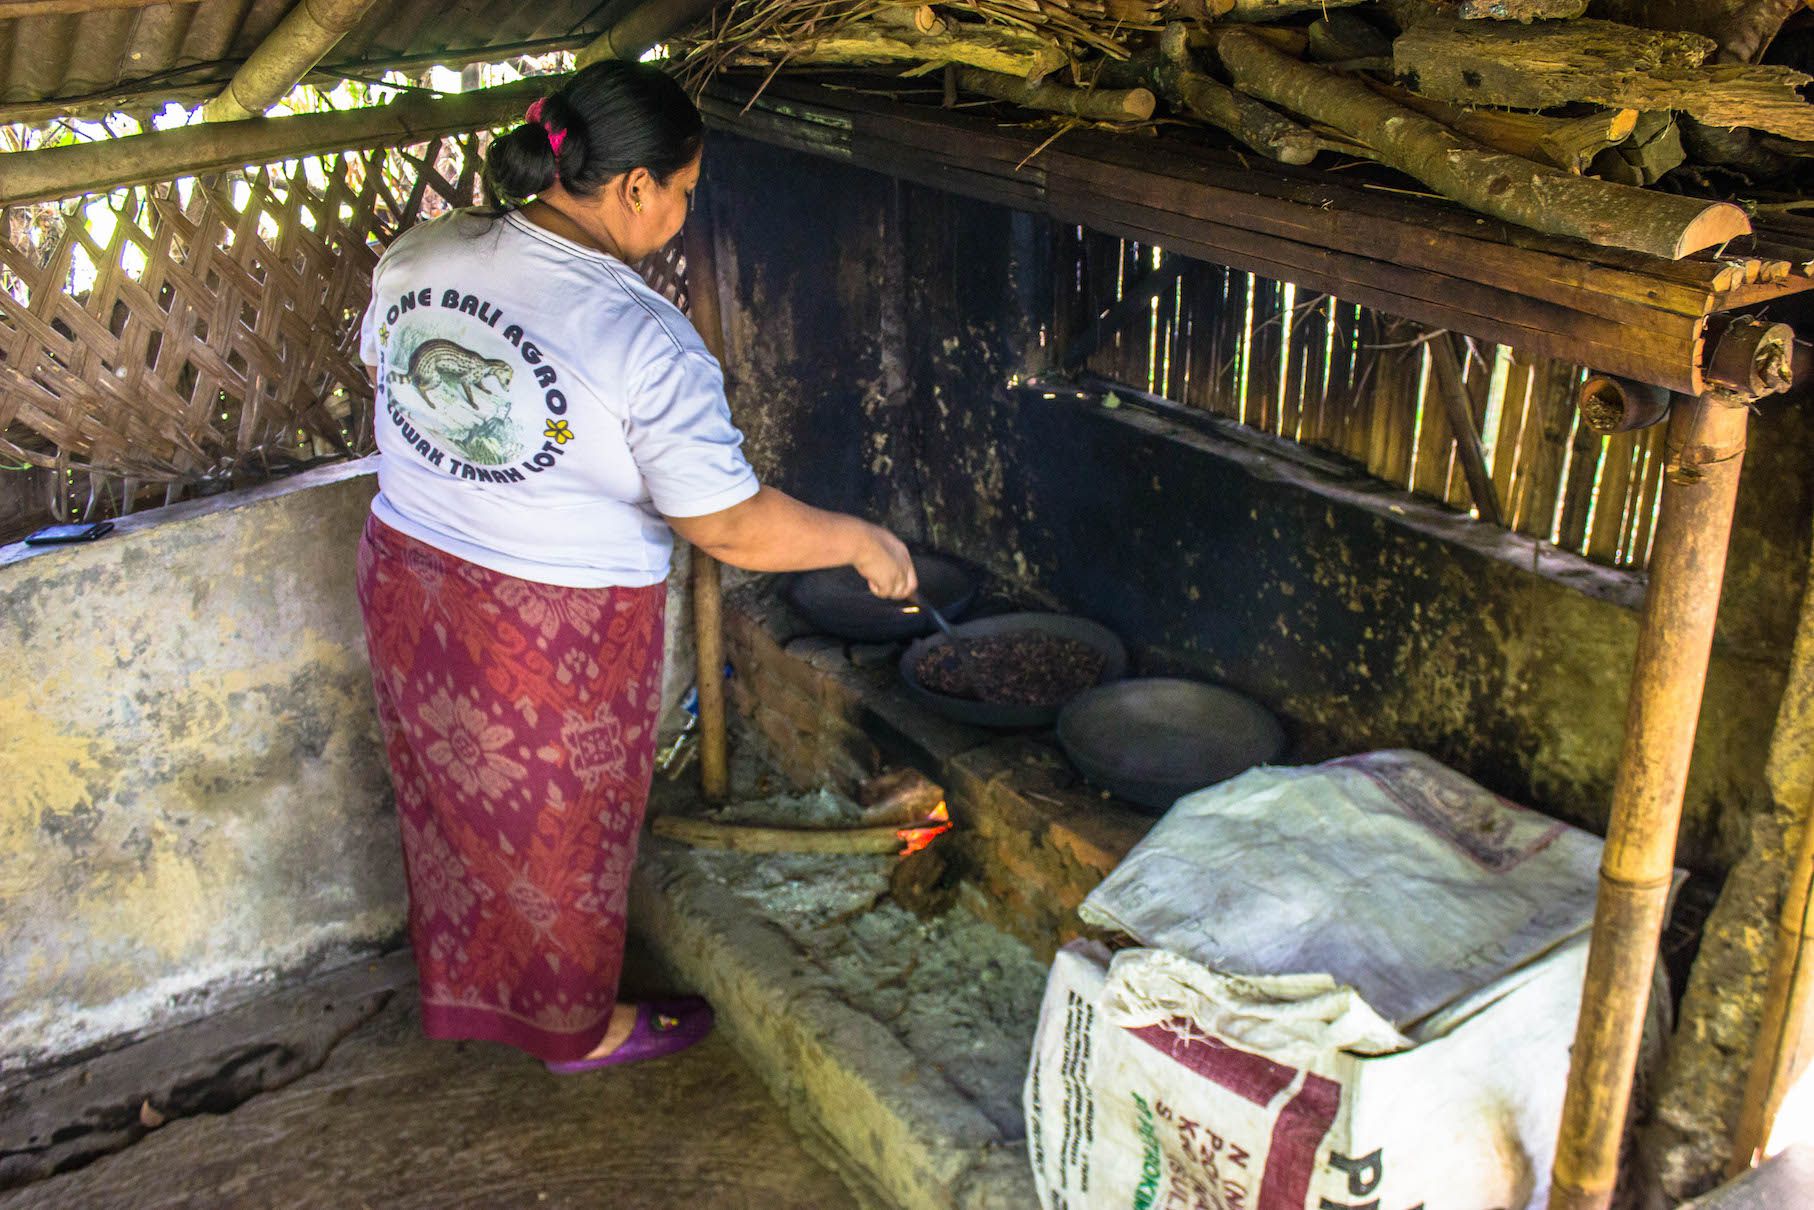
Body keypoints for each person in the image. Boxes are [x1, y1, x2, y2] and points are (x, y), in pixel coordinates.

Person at [355, 59, 916, 1074]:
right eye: (685, 191)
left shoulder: (423, 250)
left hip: (409, 581)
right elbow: (729, 525)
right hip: (544, 627)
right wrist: (861, 540)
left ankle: (480, 991)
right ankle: (577, 1029)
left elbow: (388, 375)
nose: (685, 212)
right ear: (634, 186)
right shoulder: (642, 336)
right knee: (561, 835)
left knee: (460, 808)